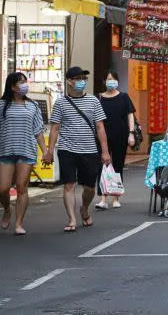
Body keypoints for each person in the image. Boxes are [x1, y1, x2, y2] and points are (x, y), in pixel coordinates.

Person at [44, 67, 111, 232]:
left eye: (84, 78)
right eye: (79, 78)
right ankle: (72, 219)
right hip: (67, 149)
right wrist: (50, 150)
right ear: (69, 81)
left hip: (89, 150)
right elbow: (55, 128)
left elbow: (100, 127)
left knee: (89, 188)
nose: (82, 81)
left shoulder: (94, 101)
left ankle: (84, 209)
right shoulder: (60, 102)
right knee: (69, 184)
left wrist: (105, 151)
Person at [0, 72, 47, 235]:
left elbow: (38, 131)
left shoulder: (33, 106)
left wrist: (45, 151)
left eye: (25, 82)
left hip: (27, 150)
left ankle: (19, 223)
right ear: (12, 86)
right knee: (3, 189)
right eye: (21, 82)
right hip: (6, 151)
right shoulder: (1, 105)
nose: (24, 85)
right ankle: (7, 209)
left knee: (22, 186)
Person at [95, 71, 136, 210]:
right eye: (108, 79)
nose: (111, 82)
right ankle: (102, 198)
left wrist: (131, 133)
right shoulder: (99, 98)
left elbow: (130, 116)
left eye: (113, 79)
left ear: (117, 81)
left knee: (118, 165)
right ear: (104, 82)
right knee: (102, 165)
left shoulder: (124, 97)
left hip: (121, 135)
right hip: (103, 137)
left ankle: (116, 197)